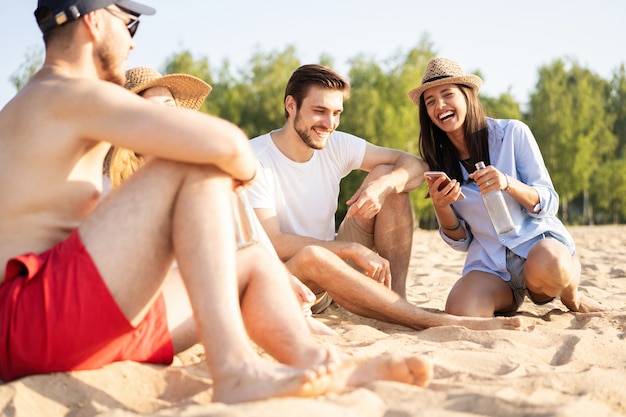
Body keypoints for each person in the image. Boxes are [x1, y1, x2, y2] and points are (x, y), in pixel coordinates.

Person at [0, 0, 435, 404]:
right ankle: (234, 369)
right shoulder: (67, 90)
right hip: (34, 319)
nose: (134, 39)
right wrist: (238, 172)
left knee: (252, 266)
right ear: (95, 21)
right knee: (192, 165)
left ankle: (320, 364)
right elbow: (227, 144)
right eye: (129, 22)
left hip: (78, 324)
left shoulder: (42, 105)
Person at [247, 64, 523, 331]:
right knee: (312, 256)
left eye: (336, 113)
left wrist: (383, 186)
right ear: (291, 106)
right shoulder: (254, 159)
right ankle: (429, 321)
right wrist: (351, 249)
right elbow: (276, 243)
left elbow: (415, 164)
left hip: (332, 275)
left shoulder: (335, 144)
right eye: (319, 111)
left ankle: (397, 299)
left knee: (388, 173)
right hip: (287, 280)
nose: (329, 123)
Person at [105, 65, 336, 336]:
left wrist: (281, 277)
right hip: (144, 299)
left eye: (170, 105)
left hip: (187, 290)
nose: (166, 115)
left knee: (227, 192)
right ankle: (281, 302)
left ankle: (284, 298)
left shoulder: (182, 169)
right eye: (154, 108)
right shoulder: (112, 177)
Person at [408, 57, 606, 317]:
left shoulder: (513, 133)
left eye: (447, 94)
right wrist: (441, 205)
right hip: (491, 265)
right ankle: (513, 298)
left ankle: (572, 294)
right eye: (430, 101)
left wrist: (508, 183)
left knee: (555, 264)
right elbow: (461, 240)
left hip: (538, 249)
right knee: (459, 311)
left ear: (467, 96)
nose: (439, 105)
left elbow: (549, 201)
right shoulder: (438, 163)